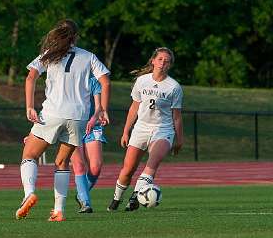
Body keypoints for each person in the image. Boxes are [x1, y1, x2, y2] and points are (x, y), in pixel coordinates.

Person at [15, 19, 111, 222]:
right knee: (62, 162)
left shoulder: (49, 54)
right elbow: (105, 80)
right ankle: (58, 211)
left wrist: (29, 106)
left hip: (53, 113)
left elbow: (30, 78)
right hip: (78, 118)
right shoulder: (88, 56)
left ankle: (28, 194)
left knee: (29, 155)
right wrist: (102, 108)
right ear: (76, 36)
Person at [107, 47, 183, 212]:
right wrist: (126, 131)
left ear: (170, 65)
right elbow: (134, 107)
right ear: (153, 61)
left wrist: (179, 139)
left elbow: (176, 116)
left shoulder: (174, 87)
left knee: (151, 164)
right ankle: (116, 199)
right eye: (160, 59)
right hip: (141, 128)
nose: (163, 63)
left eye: (167, 61)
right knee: (128, 170)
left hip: (163, 130)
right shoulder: (142, 81)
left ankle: (135, 198)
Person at [70, 76, 107, 213]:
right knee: (79, 165)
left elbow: (98, 107)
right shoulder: (65, 79)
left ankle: (81, 192)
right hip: (72, 126)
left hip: (93, 125)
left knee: (96, 167)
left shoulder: (92, 80)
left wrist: (94, 118)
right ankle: (85, 202)